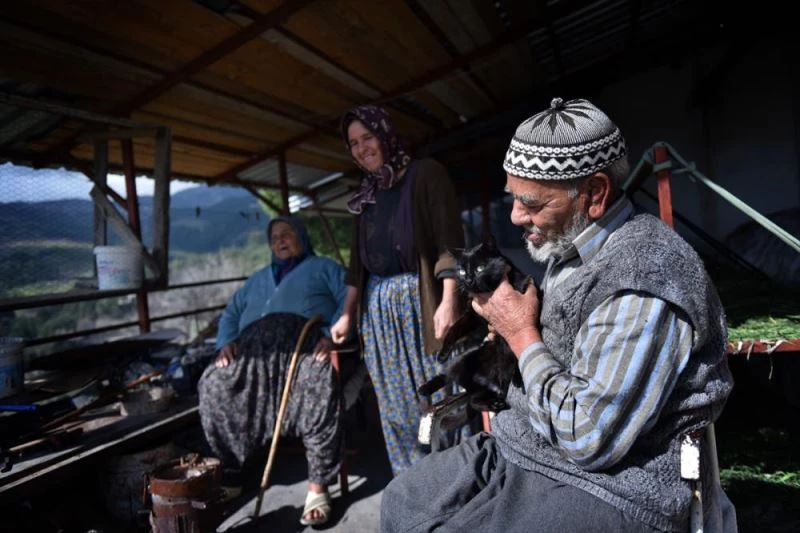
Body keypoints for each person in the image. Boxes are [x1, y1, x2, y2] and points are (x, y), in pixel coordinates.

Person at [380, 97, 737, 532]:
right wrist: (505, 335)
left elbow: (589, 439)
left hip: (613, 482)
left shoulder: (647, 275)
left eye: (532, 204)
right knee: (405, 497)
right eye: (513, 198)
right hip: (530, 444)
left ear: (595, 193)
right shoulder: (572, 250)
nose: (514, 217)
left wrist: (521, 333)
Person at [328, 104, 466, 476]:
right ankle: (413, 487)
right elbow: (358, 267)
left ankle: (458, 481)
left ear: (386, 135)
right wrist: (346, 315)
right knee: (396, 406)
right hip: (379, 315)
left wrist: (449, 300)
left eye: (367, 138)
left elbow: (448, 244)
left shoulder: (426, 175)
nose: (361, 149)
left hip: (422, 305)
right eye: (353, 143)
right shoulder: (365, 195)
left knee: (439, 399)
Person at [197, 215, 349, 527]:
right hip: (254, 355)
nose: (279, 240)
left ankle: (318, 487)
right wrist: (225, 343)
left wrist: (330, 336)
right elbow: (230, 315)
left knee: (317, 381)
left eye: (286, 234)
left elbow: (349, 300)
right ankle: (234, 469)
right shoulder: (256, 280)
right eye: (274, 236)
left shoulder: (325, 268)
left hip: (301, 345)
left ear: (302, 238)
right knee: (213, 383)